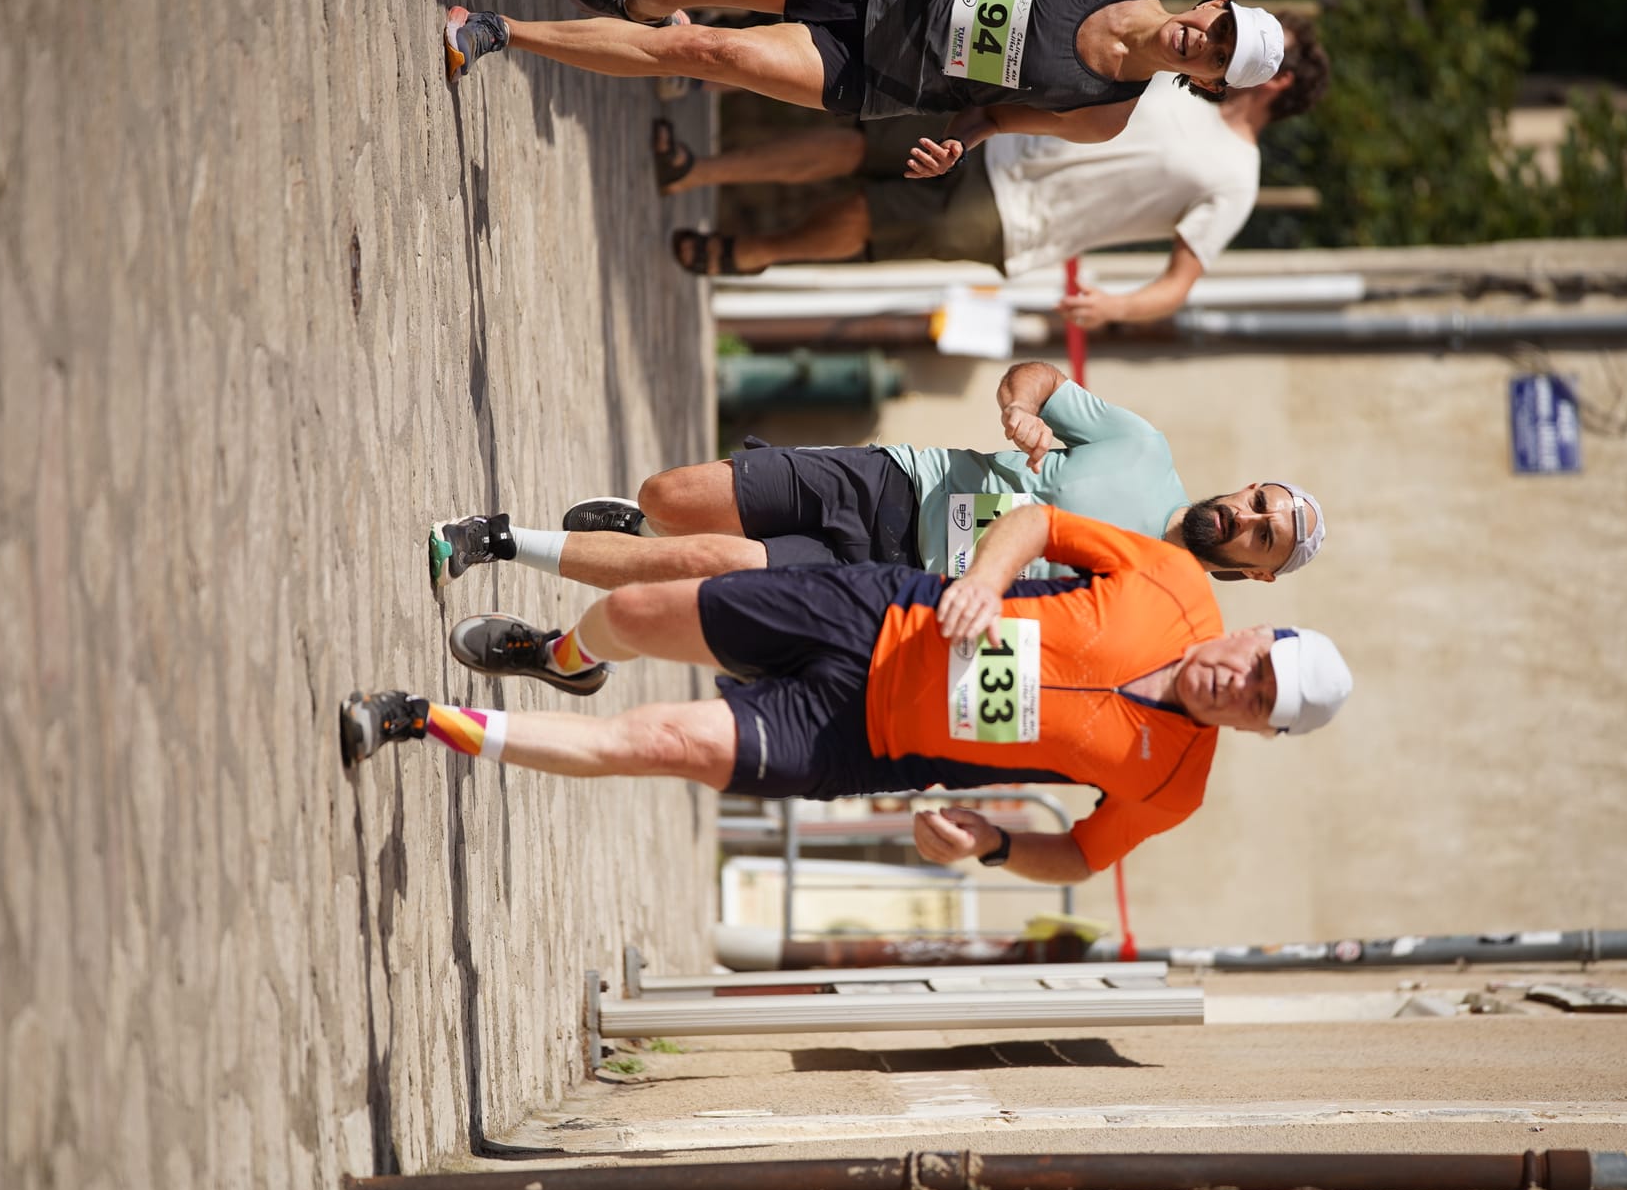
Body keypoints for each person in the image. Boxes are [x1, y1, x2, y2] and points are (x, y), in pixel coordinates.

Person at [345, 504, 1353, 878]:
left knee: (663, 745)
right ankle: (565, 656)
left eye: (1259, 699)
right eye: (1259, 661)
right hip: (867, 614)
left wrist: (996, 845)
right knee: (649, 611)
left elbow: (1083, 856)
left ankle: (422, 720)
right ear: (1258, 626)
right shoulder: (1173, 586)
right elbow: (1040, 524)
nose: (1238, 680)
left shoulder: (1172, 786)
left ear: (1260, 731)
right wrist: (984, 580)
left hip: (855, 741)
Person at [440, 0, 1286, 207]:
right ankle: (638, 0)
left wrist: (956, 146)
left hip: (881, 72)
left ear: (1209, 85)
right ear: (1214, 2)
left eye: (1216, 56)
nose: (1202, 40)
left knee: (711, 57)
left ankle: (499, 32)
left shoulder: (1103, 116)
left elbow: (992, 115)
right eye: (1218, 24)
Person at [427, 361, 1326, 604]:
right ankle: (635, 528)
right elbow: (1039, 377)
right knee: (669, 499)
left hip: (895, 584)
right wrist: (1018, 410)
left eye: (1261, 535)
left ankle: (499, 540)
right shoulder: (1143, 447)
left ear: (1251, 572)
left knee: (706, 569)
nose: (1244, 517)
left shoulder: (1159, 597)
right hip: (896, 486)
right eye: (1259, 501)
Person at [652, 12, 1329, 295]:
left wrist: (1115, 305)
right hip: (992, 129)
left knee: (864, 216)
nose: (1222, 41)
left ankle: (753, 251)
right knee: (852, 139)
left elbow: (1181, 280)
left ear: (1281, 79)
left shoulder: (1238, 175)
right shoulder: (1182, 76)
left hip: (1013, 216)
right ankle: (696, 170)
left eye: (1255, 47)